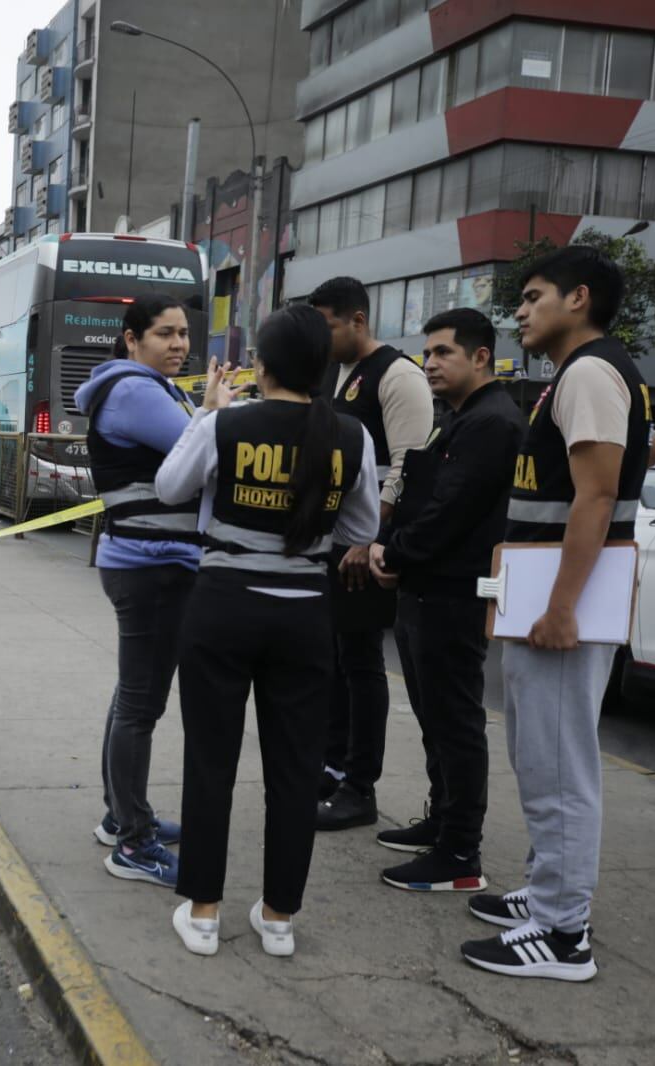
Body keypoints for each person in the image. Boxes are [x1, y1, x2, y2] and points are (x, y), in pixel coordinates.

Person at [156, 305, 380, 957]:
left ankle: (203, 912)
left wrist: (206, 411)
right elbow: (362, 529)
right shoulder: (352, 437)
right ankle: (279, 918)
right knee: (296, 768)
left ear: (262, 364)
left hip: (222, 607)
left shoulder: (226, 424)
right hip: (305, 613)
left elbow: (170, 488)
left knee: (210, 760)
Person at [459, 246, 649, 982]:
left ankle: (563, 932)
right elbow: (628, 458)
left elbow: (596, 495)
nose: (520, 311)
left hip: (561, 603)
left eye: (533, 296)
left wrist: (562, 606)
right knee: (540, 755)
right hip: (544, 594)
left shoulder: (592, 372)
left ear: (578, 298)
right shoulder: (588, 375)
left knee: (560, 766)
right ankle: (547, 891)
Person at [366, 309, 525, 894]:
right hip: (425, 589)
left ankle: (460, 852)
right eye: (427, 353)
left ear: (480, 357)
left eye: (442, 353)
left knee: (455, 721)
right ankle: (441, 820)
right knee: (434, 717)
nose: (429, 363)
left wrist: (393, 551)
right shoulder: (459, 418)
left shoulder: (492, 423)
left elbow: (450, 510)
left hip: (454, 595)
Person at [72, 295, 201, 889]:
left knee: (133, 696)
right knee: (141, 705)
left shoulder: (145, 387)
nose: (179, 344)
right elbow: (204, 453)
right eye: (164, 334)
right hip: (153, 564)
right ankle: (133, 842)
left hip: (150, 561)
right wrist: (218, 413)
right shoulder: (134, 392)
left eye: (183, 333)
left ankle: (122, 814)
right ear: (131, 339)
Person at [308, 277, 434, 831]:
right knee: (334, 662)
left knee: (362, 664)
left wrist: (369, 537)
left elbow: (408, 464)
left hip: (368, 544)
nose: (322, 337)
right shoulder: (336, 373)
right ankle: (332, 767)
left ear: (358, 320)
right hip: (334, 543)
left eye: (329, 325)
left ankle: (360, 786)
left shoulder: (398, 375)